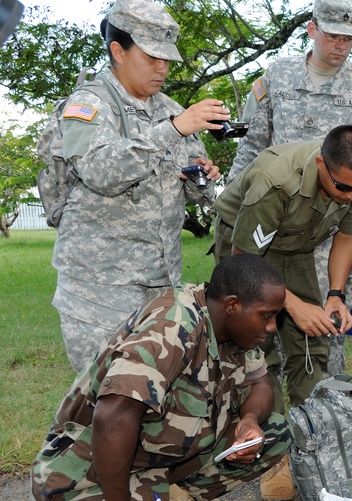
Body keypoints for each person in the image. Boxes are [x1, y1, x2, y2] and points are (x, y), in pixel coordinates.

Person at [28, 254, 293, 501]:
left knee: (272, 433)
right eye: (267, 315)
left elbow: (261, 384)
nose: (272, 326)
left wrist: (249, 419)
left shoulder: (235, 328)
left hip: (154, 464)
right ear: (232, 305)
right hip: (87, 475)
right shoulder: (173, 325)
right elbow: (113, 416)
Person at [48, 0, 229, 372]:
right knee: (102, 402)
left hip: (161, 284)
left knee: (153, 398)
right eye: (151, 57)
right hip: (100, 288)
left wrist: (201, 175)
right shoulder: (89, 104)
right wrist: (176, 128)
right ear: (118, 50)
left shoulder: (169, 108)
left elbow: (195, 187)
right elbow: (99, 171)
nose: (162, 68)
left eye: (167, 59)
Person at [231, 0, 352, 379]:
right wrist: (233, 207)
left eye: (348, 39)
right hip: (271, 223)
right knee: (257, 327)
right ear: (311, 29)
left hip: (331, 231)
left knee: (327, 329)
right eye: (333, 36)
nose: (341, 45)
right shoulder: (276, 76)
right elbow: (251, 149)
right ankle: (264, 419)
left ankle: (326, 414)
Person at [213, 125, 352, 501]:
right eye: (344, 189)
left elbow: (348, 235)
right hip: (245, 251)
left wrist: (334, 295)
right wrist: (294, 305)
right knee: (258, 342)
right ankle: (274, 457)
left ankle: (310, 442)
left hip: (298, 247)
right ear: (321, 163)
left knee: (312, 341)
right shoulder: (275, 182)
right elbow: (245, 266)